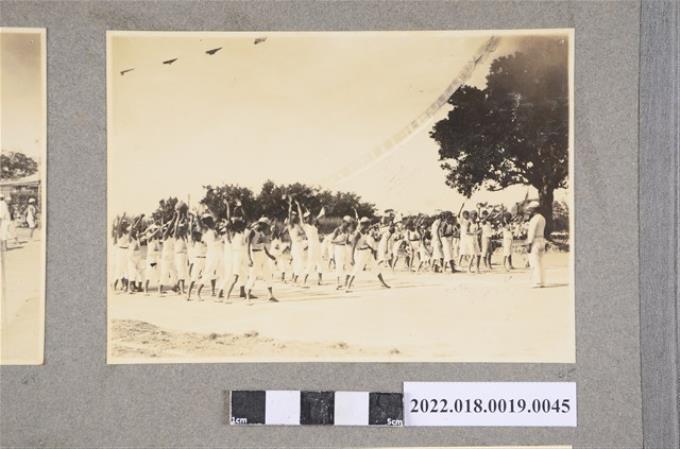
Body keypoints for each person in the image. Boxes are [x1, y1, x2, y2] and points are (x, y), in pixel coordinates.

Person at [345, 217, 390, 292]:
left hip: (367, 252)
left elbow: (365, 242)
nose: (368, 226)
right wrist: (351, 258)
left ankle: (383, 283)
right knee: (356, 269)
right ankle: (348, 287)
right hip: (361, 253)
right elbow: (353, 246)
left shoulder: (364, 232)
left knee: (376, 267)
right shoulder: (358, 234)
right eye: (367, 224)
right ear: (363, 225)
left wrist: (371, 248)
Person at [245, 216, 278, 302]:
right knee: (253, 275)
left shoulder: (261, 232)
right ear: (262, 224)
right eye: (266, 226)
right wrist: (249, 258)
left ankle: (270, 296)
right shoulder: (252, 232)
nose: (267, 228)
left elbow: (264, 245)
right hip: (255, 255)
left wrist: (269, 255)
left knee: (268, 274)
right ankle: (247, 297)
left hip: (263, 255)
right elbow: (247, 246)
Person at [297, 201, 323, 287]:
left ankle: (320, 280)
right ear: (305, 219)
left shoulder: (314, 226)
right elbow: (301, 216)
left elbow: (316, 219)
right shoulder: (305, 226)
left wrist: (308, 209)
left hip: (317, 245)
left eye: (310, 217)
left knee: (320, 262)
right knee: (311, 263)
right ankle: (303, 281)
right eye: (308, 217)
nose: (310, 218)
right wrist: (299, 206)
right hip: (312, 245)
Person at [526, 201, 546, 287]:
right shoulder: (542, 218)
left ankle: (537, 282)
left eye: (530, 209)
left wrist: (529, 244)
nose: (529, 211)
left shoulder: (534, 219)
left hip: (535, 241)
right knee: (540, 262)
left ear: (534, 209)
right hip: (541, 239)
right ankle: (541, 281)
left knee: (534, 262)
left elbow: (532, 232)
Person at [330, 216, 352, 289]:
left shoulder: (347, 230)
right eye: (347, 223)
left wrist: (351, 242)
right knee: (339, 266)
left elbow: (347, 241)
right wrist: (340, 241)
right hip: (338, 249)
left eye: (349, 224)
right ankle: (338, 283)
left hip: (345, 248)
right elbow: (331, 240)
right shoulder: (337, 230)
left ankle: (346, 283)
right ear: (343, 222)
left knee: (349, 265)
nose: (348, 225)